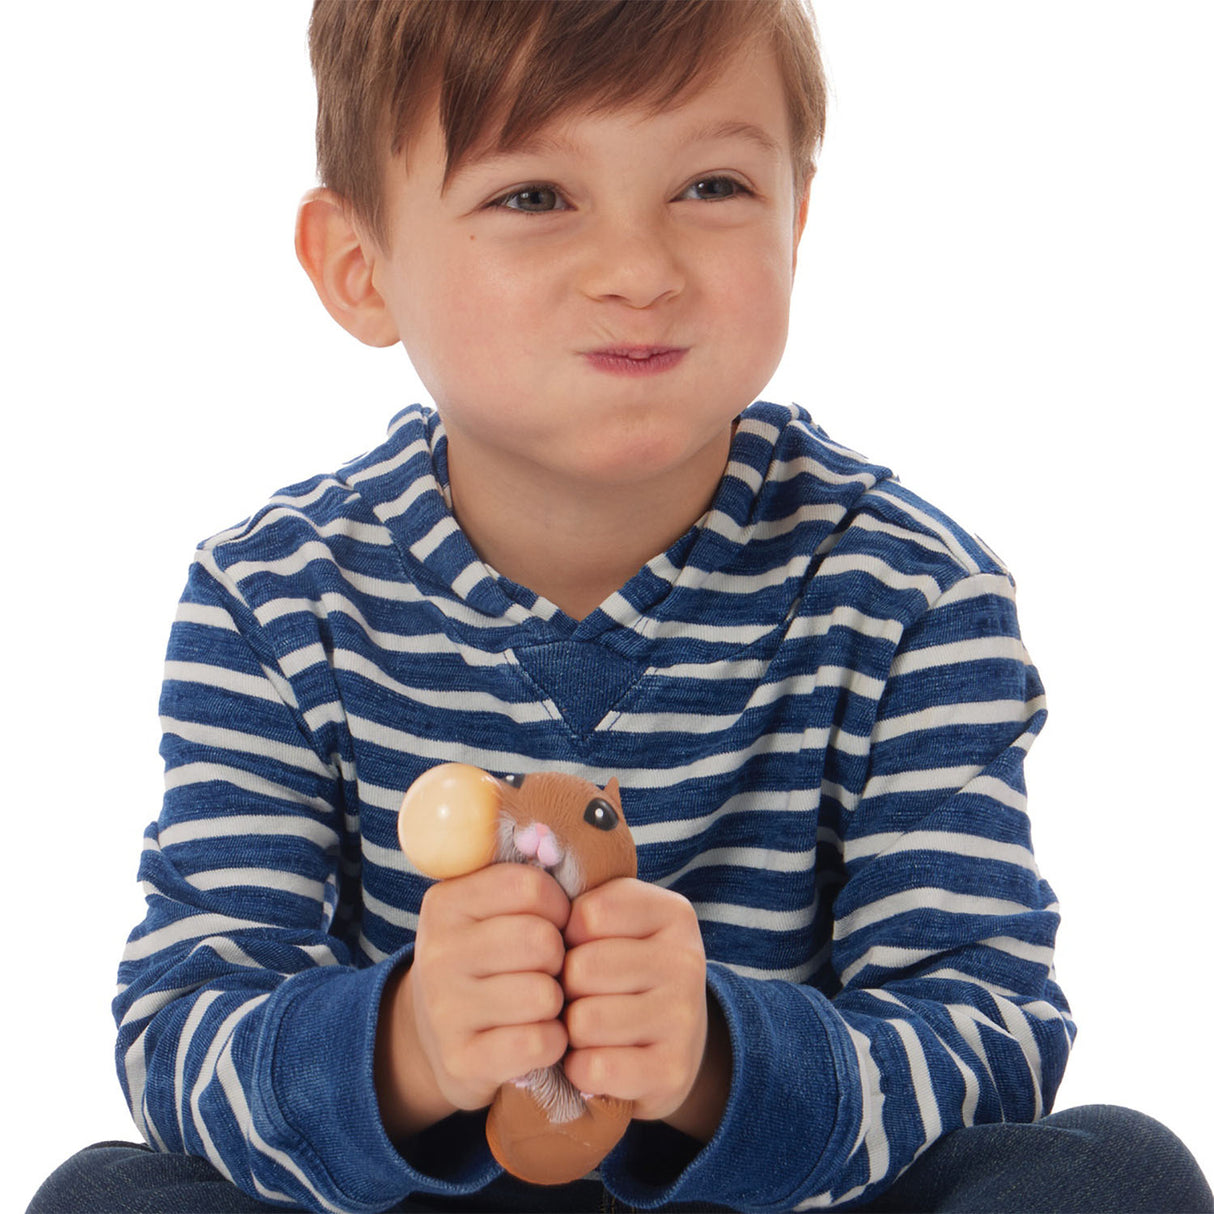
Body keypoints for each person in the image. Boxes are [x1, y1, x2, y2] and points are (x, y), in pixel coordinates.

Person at [28, 2, 1213, 1212]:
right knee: (106, 1194)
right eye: (534, 196)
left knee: (1119, 1171)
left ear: (797, 215)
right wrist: (408, 1048)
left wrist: (714, 1060)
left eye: (709, 186)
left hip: (784, 1198)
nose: (639, 272)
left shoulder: (912, 592)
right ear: (359, 265)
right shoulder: (271, 597)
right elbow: (183, 1027)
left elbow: (988, 1032)